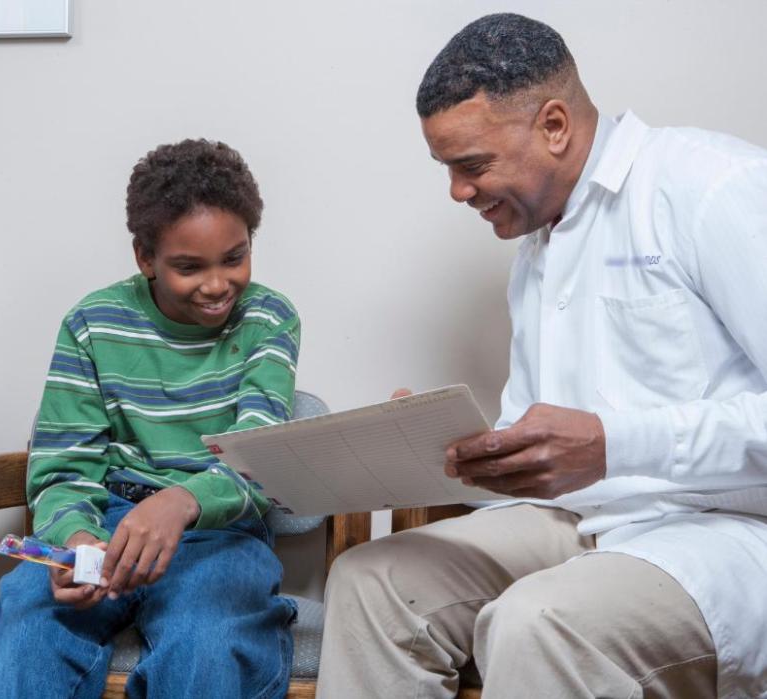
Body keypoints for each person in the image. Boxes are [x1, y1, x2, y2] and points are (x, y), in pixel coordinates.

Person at [318, 13, 767, 698]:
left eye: (472, 165)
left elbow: (602, 441)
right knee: (371, 579)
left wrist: (612, 444)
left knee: (537, 621)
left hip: (718, 535)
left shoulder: (711, 186)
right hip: (579, 523)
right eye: (447, 169)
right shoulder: (536, 251)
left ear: (553, 125)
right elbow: (548, 448)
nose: (458, 192)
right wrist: (439, 449)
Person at [0, 139, 301, 699]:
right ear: (145, 257)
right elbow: (63, 465)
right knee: (26, 630)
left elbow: (258, 453)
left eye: (234, 258)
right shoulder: (92, 323)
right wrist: (74, 537)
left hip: (220, 533)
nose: (217, 284)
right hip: (107, 521)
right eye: (189, 267)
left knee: (207, 644)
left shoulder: (269, 319)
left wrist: (179, 503)